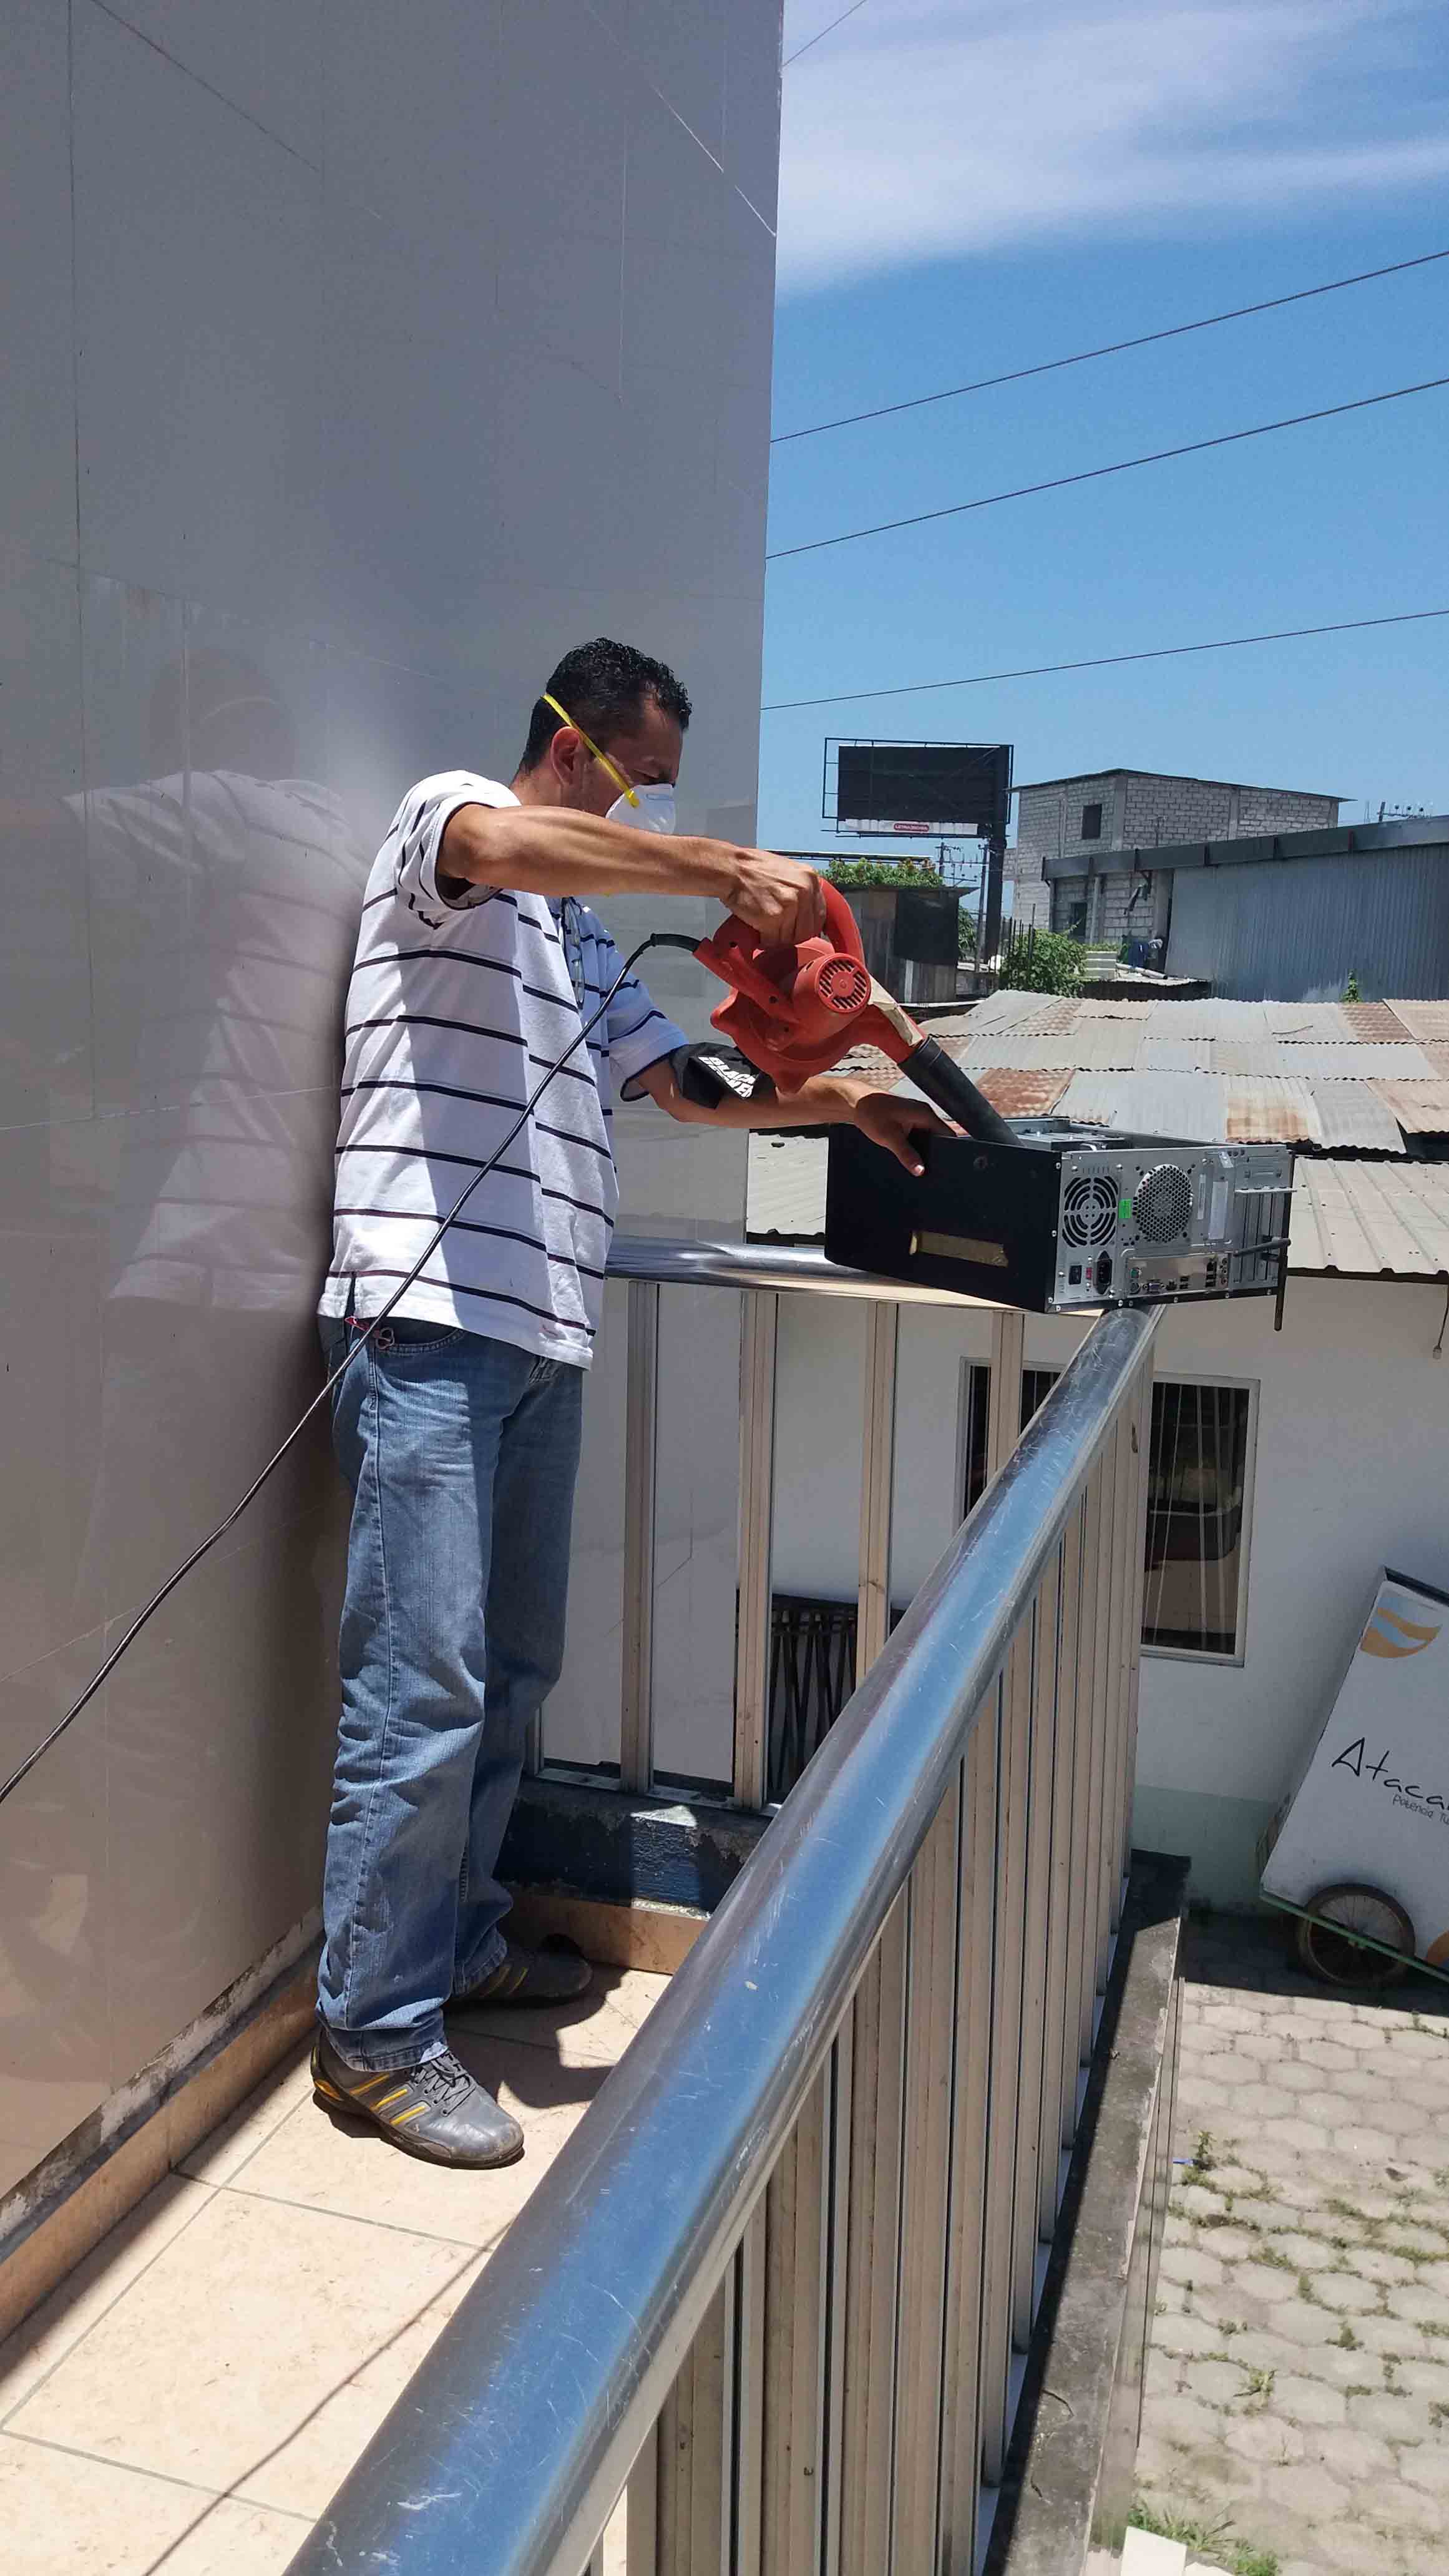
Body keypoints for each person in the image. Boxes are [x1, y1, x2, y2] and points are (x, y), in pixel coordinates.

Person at [313, 638, 949, 2167]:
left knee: (509, 1671)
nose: (644, 803)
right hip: (425, 1324)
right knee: (421, 1686)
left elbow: (686, 1088)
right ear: (571, 743)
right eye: (637, 775)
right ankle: (372, 2035)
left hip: (542, 1333)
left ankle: (461, 1941)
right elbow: (504, 844)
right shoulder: (451, 823)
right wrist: (715, 866)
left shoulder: (584, 937)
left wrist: (839, 1101)